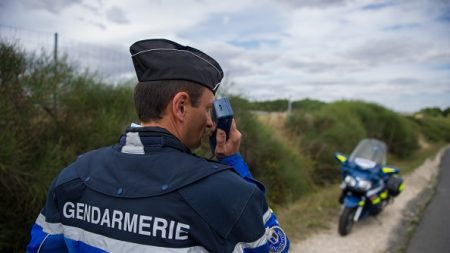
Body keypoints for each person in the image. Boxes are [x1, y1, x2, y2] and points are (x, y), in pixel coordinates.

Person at [26, 39, 289, 252]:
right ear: (181, 106)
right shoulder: (227, 192)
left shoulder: (73, 177)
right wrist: (232, 161)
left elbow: (42, 248)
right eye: (208, 109)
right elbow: (274, 246)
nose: (211, 123)